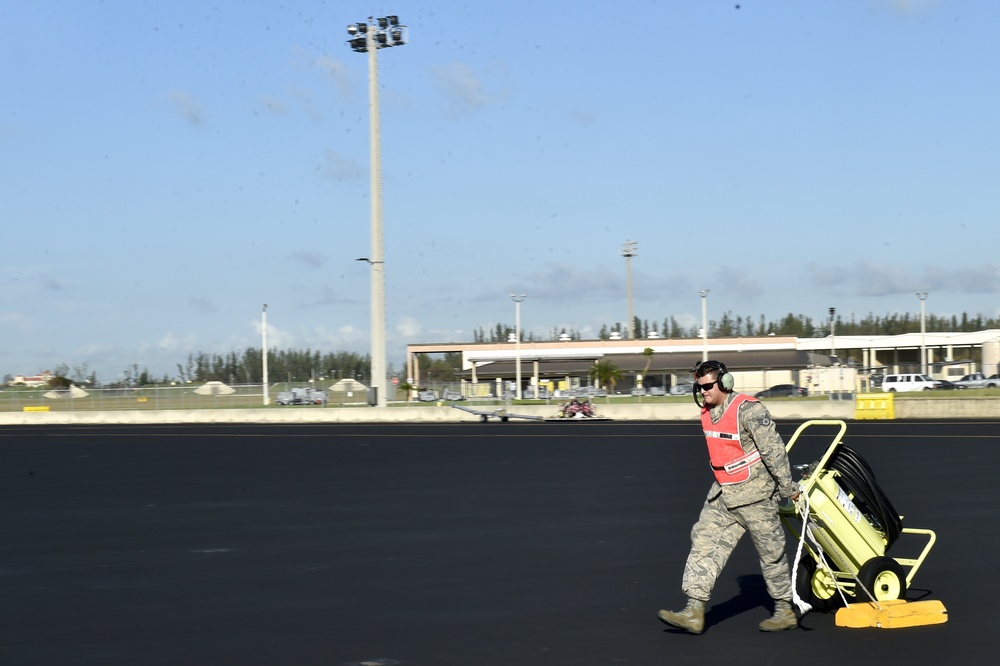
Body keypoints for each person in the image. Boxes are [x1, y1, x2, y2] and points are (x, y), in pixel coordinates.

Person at [658, 360, 800, 634]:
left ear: (725, 383)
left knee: (771, 553)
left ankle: (784, 611)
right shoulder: (707, 411)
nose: (704, 392)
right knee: (704, 541)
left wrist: (787, 487)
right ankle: (694, 611)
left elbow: (774, 451)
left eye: (709, 386)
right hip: (724, 493)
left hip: (756, 495)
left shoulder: (748, 410)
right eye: (699, 387)